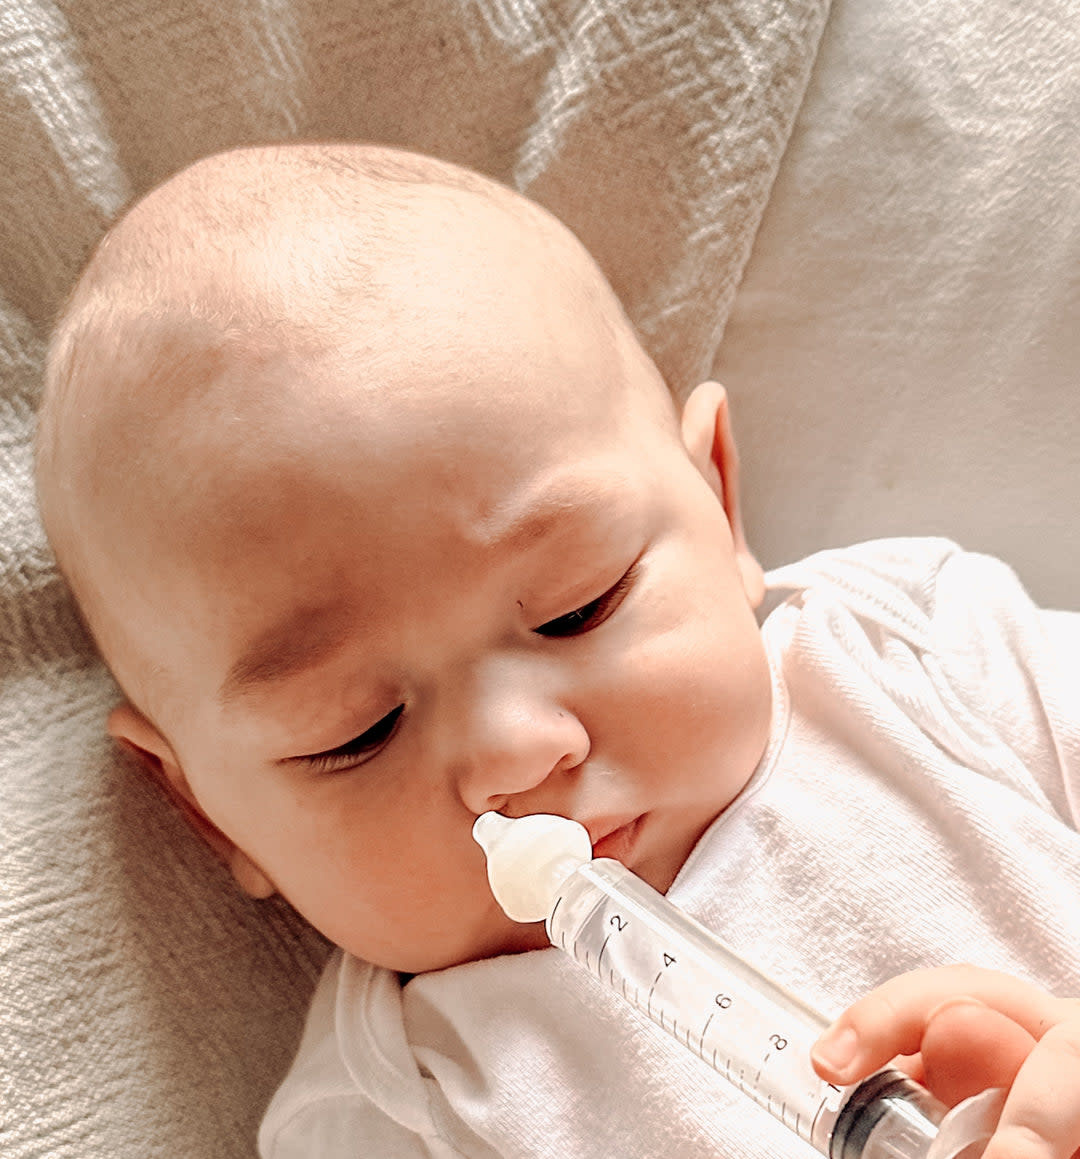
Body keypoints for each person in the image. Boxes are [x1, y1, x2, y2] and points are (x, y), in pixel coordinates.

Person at [33, 142, 1080, 1159]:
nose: (517, 754)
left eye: (581, 607)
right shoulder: (399, 1108)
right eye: (358, 731)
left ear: (717, 499)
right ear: (206, 808)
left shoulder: (914, 655)